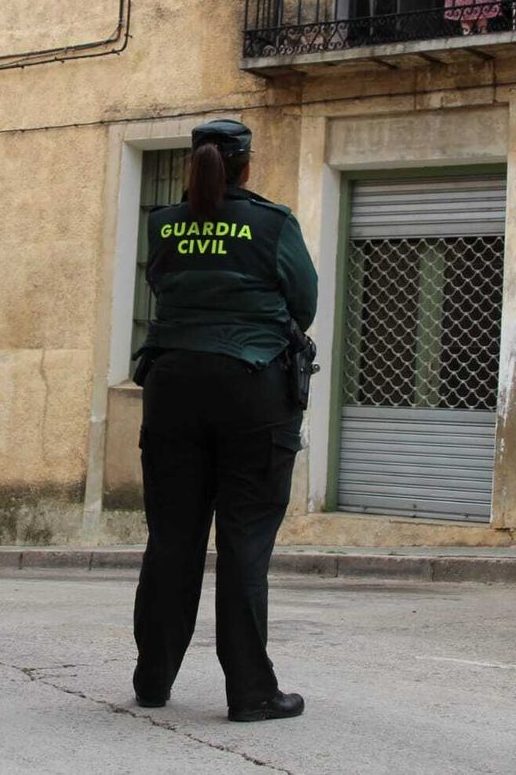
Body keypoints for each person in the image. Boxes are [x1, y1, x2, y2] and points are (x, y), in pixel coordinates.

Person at [131, 119, 319, 723]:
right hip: (252, 387)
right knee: (244, 543)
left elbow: (161, 283)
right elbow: (305, 303)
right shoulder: (272, 223)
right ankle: (251, 692)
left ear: (195, 163)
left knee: (172, 538)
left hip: (172, 386)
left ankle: (153, 679)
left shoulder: (163, 222)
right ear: (246, 164)